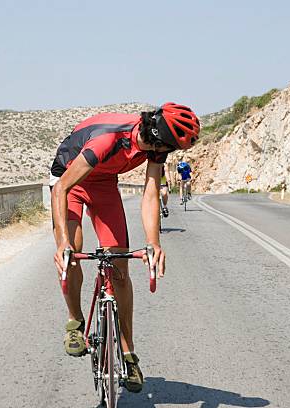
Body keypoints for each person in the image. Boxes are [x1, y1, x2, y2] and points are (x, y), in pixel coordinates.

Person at [50, 102, 200, 393]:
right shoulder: (108, 141)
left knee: (119, 267)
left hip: (103, 183)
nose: (166, 154)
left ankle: (129, 354)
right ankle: (74, 322)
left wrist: (153, 243)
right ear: (157, 137)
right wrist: (63, 244)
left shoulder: (156, 148)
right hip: (69, 179)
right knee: (71, 255)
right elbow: (62, 189)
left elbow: (150, 194)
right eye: (168, 147)